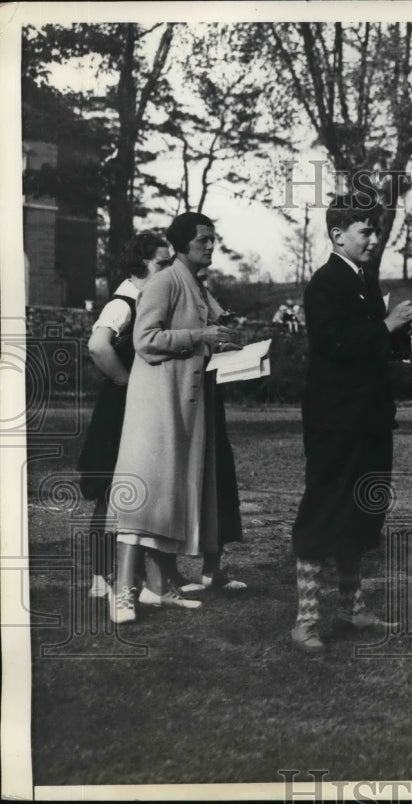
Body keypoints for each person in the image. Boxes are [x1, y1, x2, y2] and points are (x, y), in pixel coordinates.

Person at [290, 193, 412, 653]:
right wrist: (386, 326)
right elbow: (333, 345)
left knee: (362, 510)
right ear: (337, 235)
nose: (374, 238)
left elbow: (372, 350)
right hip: (335, 419)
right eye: (366, 230)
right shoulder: (324, 283)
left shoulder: (363, 281)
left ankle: (350, 606)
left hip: (368, 417)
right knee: (324, 506)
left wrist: (400, 333)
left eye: (375, 230)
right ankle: (306, 618)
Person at [108, 212, 245, 624]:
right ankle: (122, 594)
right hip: (155, 406)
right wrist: (199, 337)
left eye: (213, 239)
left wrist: (224, 347)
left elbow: (196, 338)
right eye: (204, 239)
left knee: (169, 496)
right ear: (183, 243)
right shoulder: (164, 281)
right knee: (143, 495)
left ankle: (161, 588)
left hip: (182, 405)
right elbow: (144, 340)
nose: (210, 246)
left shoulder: (197, 288)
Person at [77, 232, 172, 599]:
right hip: (118, 408)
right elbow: (98, 346)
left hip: (137, 407)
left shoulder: (149, 300)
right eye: (161, 264)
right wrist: (125, 382)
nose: (167, 271)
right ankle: (101, 577)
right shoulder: (123, 302)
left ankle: (136, 578)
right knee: (108, 490)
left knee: (138, 487)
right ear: (139, 265)